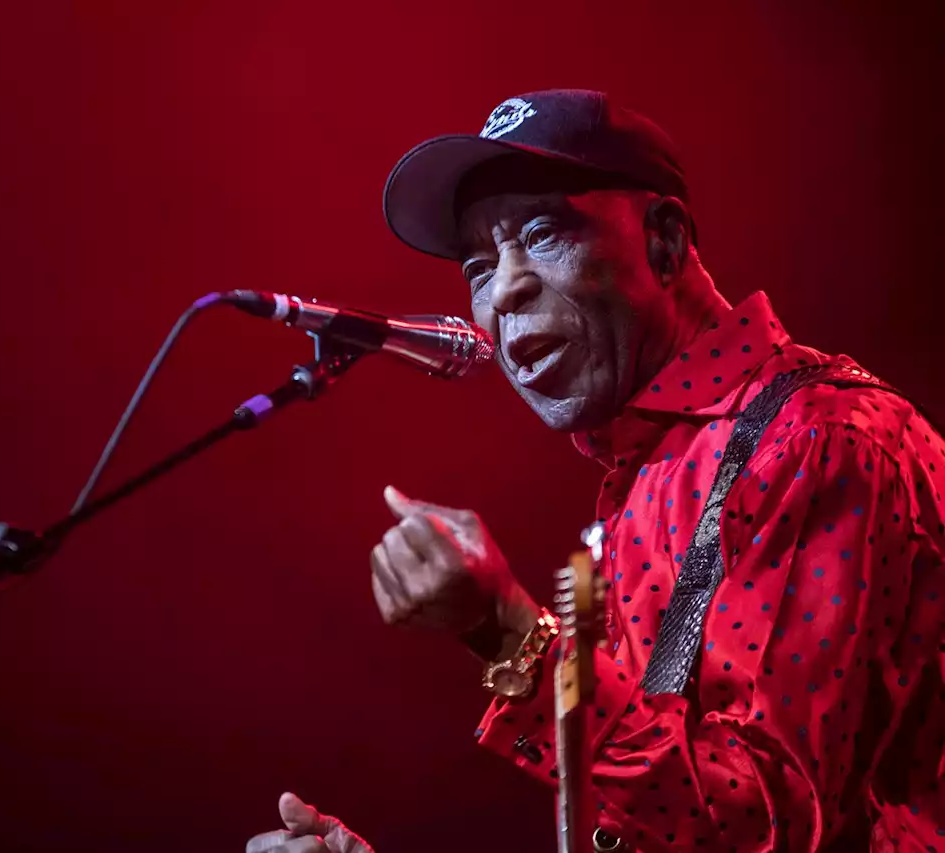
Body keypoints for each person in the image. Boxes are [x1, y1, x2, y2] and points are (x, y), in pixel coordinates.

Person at [245, 89, 945, 852]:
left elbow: (768, 825)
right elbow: (662, 819)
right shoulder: (639, 485)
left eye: (541, 232)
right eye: (478, 264)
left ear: (666, 243)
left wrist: (507, 630)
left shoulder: (817, 440)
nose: (503, 290)